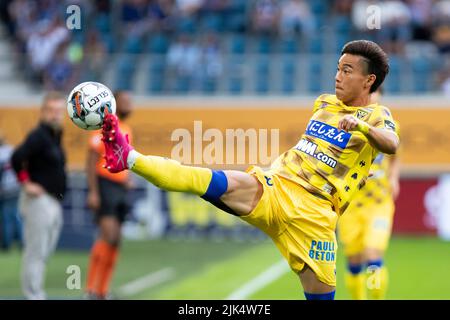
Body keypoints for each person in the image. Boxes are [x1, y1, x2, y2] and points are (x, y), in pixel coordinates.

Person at [100, 40, 400, 300]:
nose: (337, 76)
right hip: (277, 186)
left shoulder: (377, 115)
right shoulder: (324, 102)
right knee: (208, 179)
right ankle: (128, 157)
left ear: (368, 80)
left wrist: (361, 127)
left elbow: (392, 143)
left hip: (315, 216)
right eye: (338, 67)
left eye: (347, 70)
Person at [338, 87, 400, 300]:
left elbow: (395, 154)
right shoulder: (346, 123)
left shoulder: (388, 125)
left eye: (376, 93)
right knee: (354, 262)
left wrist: (393, 177)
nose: (372, 97)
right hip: (351, 204)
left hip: (379, 204)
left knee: (373, 256)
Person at [11, 91, 67, 300]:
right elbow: (17, 157)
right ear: (43, 112)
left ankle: (36, 292)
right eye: (51, 110)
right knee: (35, 251)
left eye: (59, 111)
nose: (55, 115)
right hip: (39, 201)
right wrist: (26, 182)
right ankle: (33, 295)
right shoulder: (39, 136)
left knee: (44, 251)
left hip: (53, 200)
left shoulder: (54, 135)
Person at [85, 91, 134, 299]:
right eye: (125, 101)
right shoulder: (104, 127)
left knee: (116, 241)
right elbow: (91, 162)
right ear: (115, 104)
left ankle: (103, 291)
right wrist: (94, 192)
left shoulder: (126, 128)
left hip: (119, 188)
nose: (130, 105)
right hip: (104, 186)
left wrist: (127, 179)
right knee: (108, 236)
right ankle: (90, 289)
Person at [0, 130, 22, 250]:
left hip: (6, 188)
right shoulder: (11, 150)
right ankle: (23, 242)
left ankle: (6, 244)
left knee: (6, 217)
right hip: (16, 186)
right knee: (17, 216)